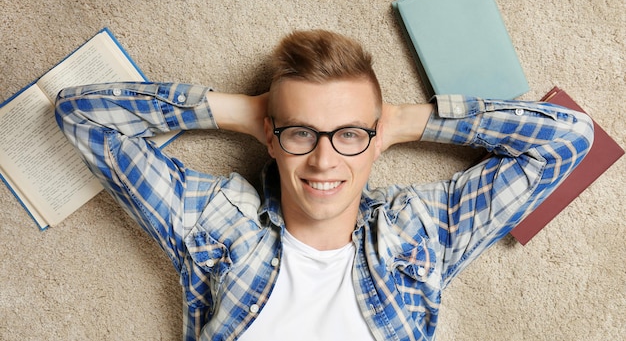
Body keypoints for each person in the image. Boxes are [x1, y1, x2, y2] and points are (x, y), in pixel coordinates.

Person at [55, 29, 593, 341]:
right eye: (302, 133)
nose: (322, 160)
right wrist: (244, 113)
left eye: (349, 135)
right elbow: (83, 116)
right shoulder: (213, 222)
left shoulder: (423, 235)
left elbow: (567, 139)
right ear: (272, 136)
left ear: (374, 136)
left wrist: (403, 122)